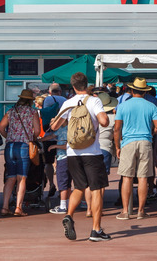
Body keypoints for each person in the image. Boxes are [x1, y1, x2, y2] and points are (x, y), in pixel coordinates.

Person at [49, 73, 111, 242]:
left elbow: (54, 126)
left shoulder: (67, 103)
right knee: (96, 189)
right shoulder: (94, 101)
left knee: (79, 187)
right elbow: (104, 121)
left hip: (72, 152)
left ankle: (69, 215)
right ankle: (96, 230)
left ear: (73, 86)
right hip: (92, 152)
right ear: (86, 84)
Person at [114, 77, 157, 220]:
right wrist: (151, 132)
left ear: (132, 90)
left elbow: (117, 129)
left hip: (128, 142)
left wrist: (117, 146)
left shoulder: (122, 106)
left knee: (127, 177)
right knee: (143, 177)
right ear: (145, 92)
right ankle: (141, 210)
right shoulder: (151, 106)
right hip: (145, 141)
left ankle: (125, 211)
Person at [0, 89, 41, 218]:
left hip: (10, 146)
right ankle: (18, 208)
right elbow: (38, 131)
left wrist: (10, 136)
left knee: (10, 177)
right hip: (24, 146)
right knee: (21, 178)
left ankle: (5, 207)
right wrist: (30, 138)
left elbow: (0, 127)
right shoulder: (33, 112)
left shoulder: (11, 111)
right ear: (30, 101)